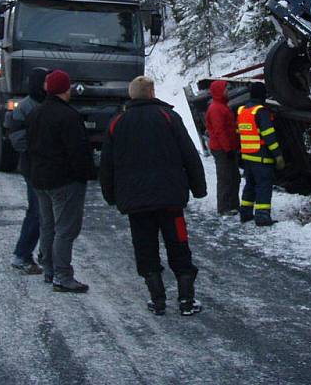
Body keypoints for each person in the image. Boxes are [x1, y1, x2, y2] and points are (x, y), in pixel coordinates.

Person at [100, 76, 206, 316]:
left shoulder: (117, 122)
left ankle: (157, 300)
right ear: (151, 92)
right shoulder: (168, 117)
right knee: (179, 245)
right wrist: (198, 187)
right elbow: (189, 154)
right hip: (170, 200)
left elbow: (107, 165)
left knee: (145, 248)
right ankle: (186, 300)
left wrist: (110, 195)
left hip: (137, 204)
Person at [27, 69, 93, 293]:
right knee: (66, 229)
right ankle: (63, 275)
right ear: (66, 89)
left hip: (40, 179)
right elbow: (78, 151)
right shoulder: (69, 116)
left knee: (48, 226)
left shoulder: (36, 113)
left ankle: (49, 269)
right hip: (64, 180)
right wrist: (86, 174)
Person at [5, 67, 50, 275]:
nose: (48, 85)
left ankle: (39, 254)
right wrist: (41, 151)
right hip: (33, 167)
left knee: (44, 212)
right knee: (37, 211)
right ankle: (22, 255)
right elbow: (17, 139)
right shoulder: (24, 108)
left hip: (45, 167)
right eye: (45, 81)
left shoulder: (48, 104)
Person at [237, 81, 284, 226]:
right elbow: (269, 136)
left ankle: (245, 213)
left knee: (250, 185)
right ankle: (262, 216)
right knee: (263, 185)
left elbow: (239, 133)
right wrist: (278, 155)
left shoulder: (242, 110)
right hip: (261, 157)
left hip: (247, 157)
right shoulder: (261, 112)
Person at [204, 80, 241, 215]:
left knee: (234, 177)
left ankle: (233, 205)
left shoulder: (222, 106)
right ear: (219, 91)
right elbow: (220, 131)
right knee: (225, 178)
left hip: (227, 147)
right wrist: (228, 149)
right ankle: (224, 207)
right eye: (225, 89)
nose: (227, 91)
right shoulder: (216, 109)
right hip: (222, 149)